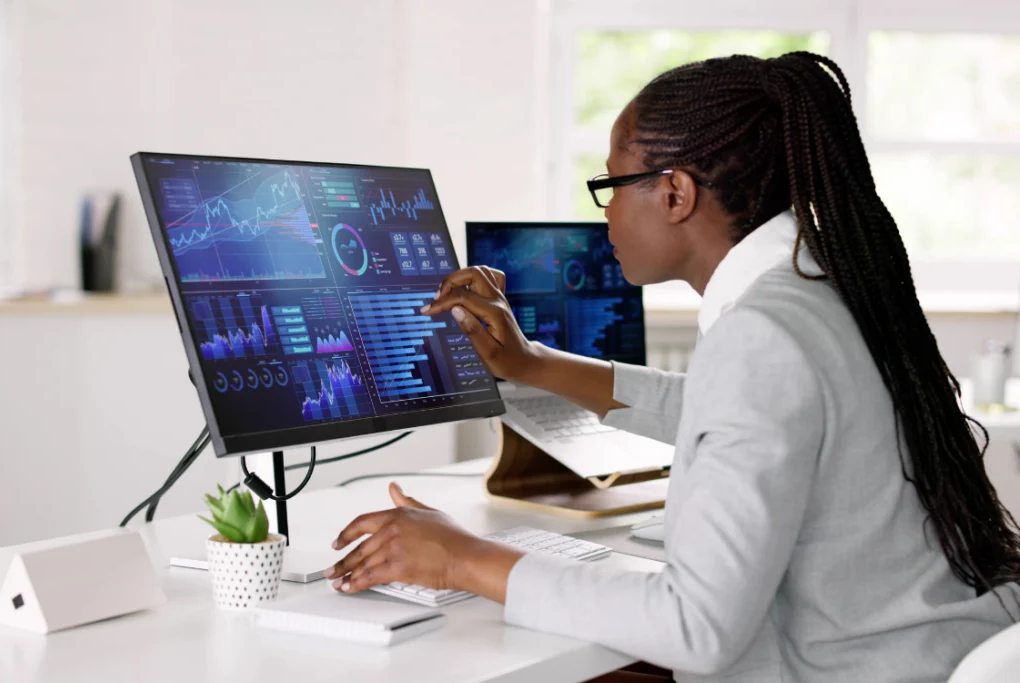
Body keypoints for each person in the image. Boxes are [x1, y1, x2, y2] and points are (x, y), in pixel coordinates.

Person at [324, 52, 1020, 682]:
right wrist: (532, 363)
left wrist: (462, 558)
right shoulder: (820, 287)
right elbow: (726, 413)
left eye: (612, 185)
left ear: (676, 193)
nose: (607, 214)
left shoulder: (762, 333)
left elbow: (696, 627)